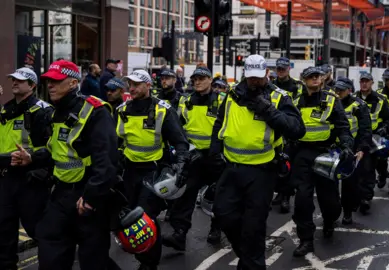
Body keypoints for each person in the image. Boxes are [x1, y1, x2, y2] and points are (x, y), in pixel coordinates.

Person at [11, 60, 118, 270]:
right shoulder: (52, 113)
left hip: (87, 199)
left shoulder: (94, 111)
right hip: (60, 197)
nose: (50, 85)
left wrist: (91, 198)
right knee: (50, 255)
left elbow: (107, 161)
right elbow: (56, 153)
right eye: (48, 80)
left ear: (72, 82)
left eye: (56, 81)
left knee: (94, 262)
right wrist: (32, 158)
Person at [210, 55, 305, 269]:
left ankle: (252, 264)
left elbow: (297, 129)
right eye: (251, 77)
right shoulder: (233, 95)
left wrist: (268, 110)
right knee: (223, 214)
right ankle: (248, 258)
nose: (254, 81)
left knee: (253, 228)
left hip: (261, 172)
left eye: (258, 77)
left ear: (267, 75)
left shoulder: (278, 97)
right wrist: (214, 152)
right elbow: (219, 123)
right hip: (232, 168)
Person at [116, 69, 190, 270]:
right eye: (129, 84)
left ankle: (149, 264)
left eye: (137, 84)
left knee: (145, 218)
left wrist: (181, 164)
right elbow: (115, 143)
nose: (131, 88)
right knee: (132, 219)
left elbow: (180, 142)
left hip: (153, 172)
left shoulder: (162, 110)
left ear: (148, 85)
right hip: (129, 172)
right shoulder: (122, 110)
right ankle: (146, 258)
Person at [290, 67, 353, 257]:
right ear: (304, 80)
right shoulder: (294, 102)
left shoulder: (331, 100)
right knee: (302, 200)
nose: (315, 79)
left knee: (330, 201)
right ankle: (306, 240)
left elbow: (343, 126)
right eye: (311, 77)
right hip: (302, 154)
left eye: (318, 76)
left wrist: (347, 145)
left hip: (326, 154)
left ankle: (329, 221)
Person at [163, 67, 226, 251]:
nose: (197, 82)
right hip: (194, 156)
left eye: (201, 78)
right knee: (186, 194)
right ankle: (179, 233)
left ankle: (216, 228)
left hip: (216, 156)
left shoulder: (222, 100)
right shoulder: (186, 100)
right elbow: (179, 128)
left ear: (210, 81)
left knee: (217, 195)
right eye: (195, 79)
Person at [0, 68, 52, 270]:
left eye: (19, 81)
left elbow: (51, 149)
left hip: (31, 180)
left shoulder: (42, 111)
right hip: (6, 179)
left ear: (32, 85)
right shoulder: (5, 110)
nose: (14, 83)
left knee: (38, 230)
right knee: (4, 231)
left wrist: (38, 170)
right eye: (12, 79)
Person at [355, 72, 389, 213]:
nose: (364, 84)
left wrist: (385, 128)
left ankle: (366, 198)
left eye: (367, 81)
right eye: (362, 81)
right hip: (355, 139)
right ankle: (355, 198)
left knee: (368, 169)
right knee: (355, 171)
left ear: (372, 83)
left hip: (372, 139)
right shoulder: (352, 98)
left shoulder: (380, 100)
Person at [333, 77, 372, 225]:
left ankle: (348, 211)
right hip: (333, 148)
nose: (338, 92)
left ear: (349, 90)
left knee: (350, 183)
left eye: (341, 90)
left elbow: (365, 130)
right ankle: (332, 212)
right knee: (330, 182)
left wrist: (361, 149)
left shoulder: (358, 106)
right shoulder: (330, 102)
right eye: (336, 89)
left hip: (352, 148)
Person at [271, 56, 306, 213]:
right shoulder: (271, 85)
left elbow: (298, 106)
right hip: (275, 127)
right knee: (276, 164)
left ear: (288, 69)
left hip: (289, 127)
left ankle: (286, 196)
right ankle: (279, 192)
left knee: (287, 165)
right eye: (278, 68)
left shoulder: (297, 87)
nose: (280, 71)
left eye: (283, 69)